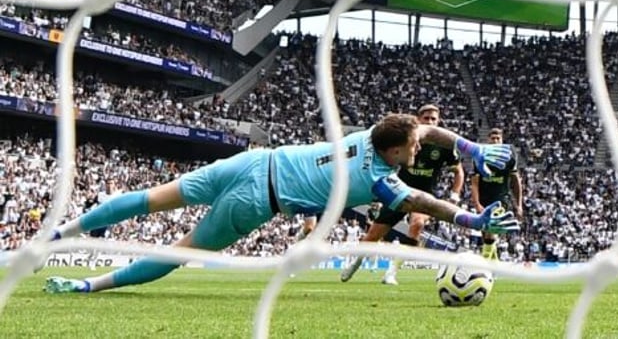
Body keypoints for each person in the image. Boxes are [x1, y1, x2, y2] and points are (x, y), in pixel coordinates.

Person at [43, 113, 518, 294]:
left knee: (150, 199)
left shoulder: (371, 135)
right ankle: (89, 287)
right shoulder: (379, 179)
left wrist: (471, 151)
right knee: (179, 250)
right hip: (256, 200)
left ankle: (61, 233)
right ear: (394, 151)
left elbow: (428, 131)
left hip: (251, 162)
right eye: (411, 150)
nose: (417, 152)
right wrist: (471, 217)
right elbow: (422, 201)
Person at [340, 105, 464, 285]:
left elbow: (458, 171)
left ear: (439, 121)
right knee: (372, 236)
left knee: (417, 224)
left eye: (433, 119)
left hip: (424, 195)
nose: (430, 122)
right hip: (399, 191)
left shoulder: (445, 146)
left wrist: (455, 195)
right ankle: (355, 264)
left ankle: (391, 272)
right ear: (418, 120)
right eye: (426, 118)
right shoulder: (406, 139)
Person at [470, 128, 523, 261]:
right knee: (486, 235)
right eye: (492, 139)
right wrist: (477, 204)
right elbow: (475, 183)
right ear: (488, 140)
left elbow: (516, 182)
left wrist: (519, 205)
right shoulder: (480, 157)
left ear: (502, 141)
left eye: (498, 139)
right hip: (483, 199)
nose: (495, 141)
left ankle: (484, 263)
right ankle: (494, 265)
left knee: (490, 231)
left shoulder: (509, 157)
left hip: (500, 200)